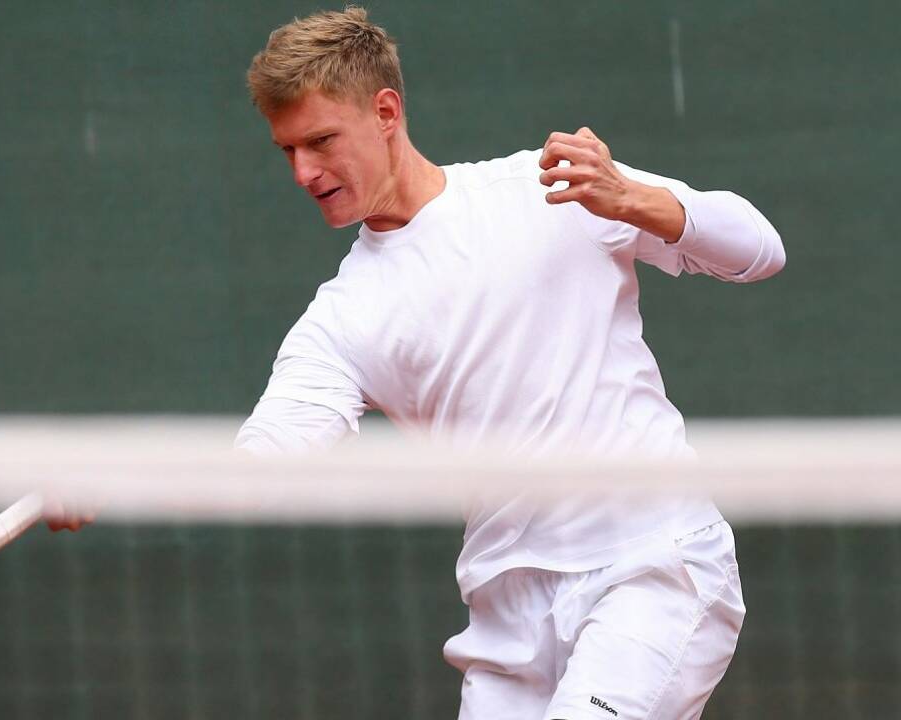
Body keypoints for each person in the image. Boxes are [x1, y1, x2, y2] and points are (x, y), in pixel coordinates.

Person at [235, 8, 784, 720]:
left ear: (385, 112)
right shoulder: (340, 319)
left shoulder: (549, 187)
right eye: (288, 151)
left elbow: (759, 251)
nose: (305, 171)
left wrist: (632, 197)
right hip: (507, 628)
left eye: (320, 141)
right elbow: (269, 458)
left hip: (652, 570)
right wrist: (120, 479)